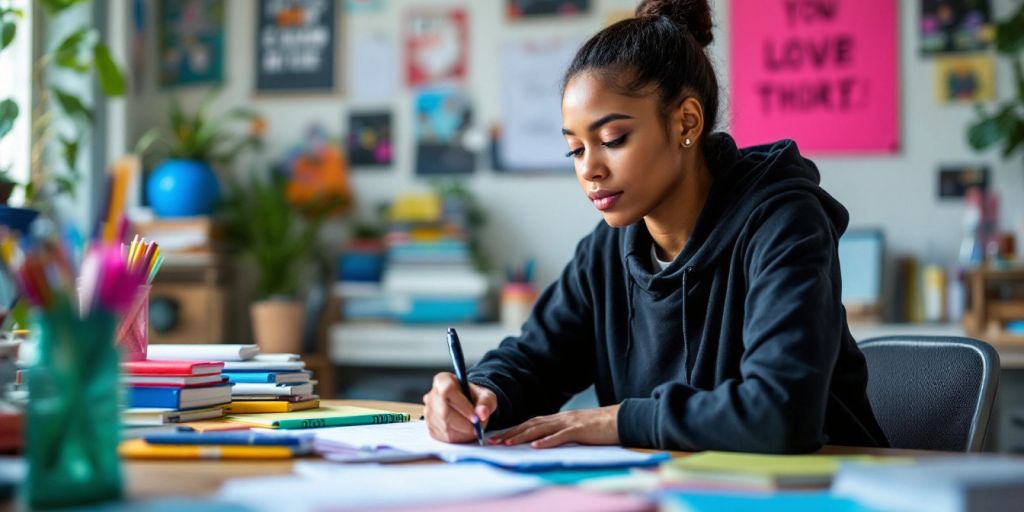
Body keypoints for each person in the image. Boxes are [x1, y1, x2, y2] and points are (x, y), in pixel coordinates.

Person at [422, 0, 888, 453]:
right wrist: (478, 396)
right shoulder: (606, 251)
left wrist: (617, 419)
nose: (590, 170)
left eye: (612, 139)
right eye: (576, 150)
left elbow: (780, 412)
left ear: (686, 121)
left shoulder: (783, 223)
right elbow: (533, 358)